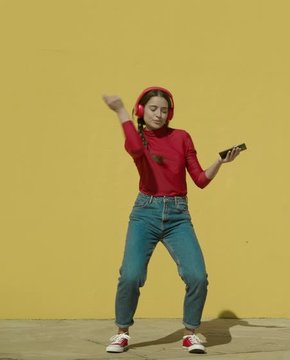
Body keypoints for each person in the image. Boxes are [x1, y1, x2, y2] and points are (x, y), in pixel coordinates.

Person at [102, 86, 241, 354]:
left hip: (178, 215)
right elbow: (132, 148)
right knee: (131, 276)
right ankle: (122, 332)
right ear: (142, 111)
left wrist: (220, 161)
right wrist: (121, 111)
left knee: (197, 276)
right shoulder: (140, 139)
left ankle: (190, 333)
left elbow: (200, 180)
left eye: (164, 110)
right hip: (146, 212)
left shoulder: (182, 137)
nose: (159, 114)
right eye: (153, 109)